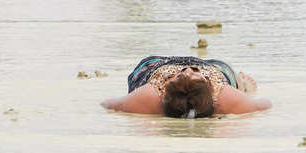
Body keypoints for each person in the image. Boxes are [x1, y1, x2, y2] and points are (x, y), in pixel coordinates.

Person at [101, 56, 271, 117]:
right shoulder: (223, 94)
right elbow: (264, 104)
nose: (187, 68)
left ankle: (242, 84)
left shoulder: (150, 95)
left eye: (180, 75)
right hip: (213, 68)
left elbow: (108, 103)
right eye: (193, 74)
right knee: (226, 72)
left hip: (156, 64)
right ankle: (240, 84)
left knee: (145, 63)